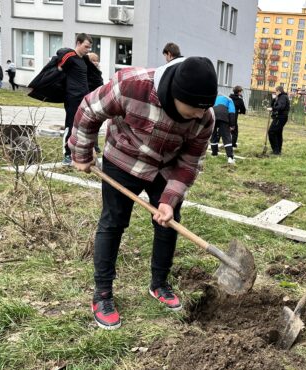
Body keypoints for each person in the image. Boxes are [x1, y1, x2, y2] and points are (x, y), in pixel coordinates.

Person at [68, 57, 218, 330]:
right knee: (113, 222)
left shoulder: (204, 119)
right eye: (195, 108)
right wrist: (81, 152)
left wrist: (169, 201)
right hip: (123, 158)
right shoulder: (131, 86)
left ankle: (159, 283)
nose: (200, 114)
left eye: (204, 107)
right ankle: (102, 293)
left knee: (168, 223)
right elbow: (89, 109)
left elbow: (188, 163)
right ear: (175, 94)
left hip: (165, 167)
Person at [59, 33, 93, 166]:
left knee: (82, 126)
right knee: (71, 125)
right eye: (86, 47)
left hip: (84, 98)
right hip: (72, 98)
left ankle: (78, 153)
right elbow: (57, 68)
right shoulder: (70, 57)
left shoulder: (83, 60)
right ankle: (66, 154)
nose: (88, 50)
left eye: (89, 47)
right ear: (78, 43)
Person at [210, 94, 236, 164]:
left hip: (213, 113)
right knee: (226, 136)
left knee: (213, 135)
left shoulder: (215, 98)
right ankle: (230, 157)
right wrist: (232, 125)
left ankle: (214, 153)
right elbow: (232, 112)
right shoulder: (230, 100)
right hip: (223, 114)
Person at [86, 52, 104, 154]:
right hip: (89, 101)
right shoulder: (87, 73)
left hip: (96, 101)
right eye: (93, 60)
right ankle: (89, 146)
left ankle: (95, 145)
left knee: (96, 124)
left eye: (96, 60)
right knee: (88, 125)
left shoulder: (98, 72)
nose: (95, 62)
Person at [267, 85, 290, 155]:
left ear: (279, 91)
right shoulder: (280, 97)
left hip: (280, 117)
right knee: (278, 133)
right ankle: (278, 150)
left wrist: (273, 109)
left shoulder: (283, 97)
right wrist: (273, 99)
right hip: (280, 117)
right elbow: (274, 104)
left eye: (276, 91)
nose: (275, 92)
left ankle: (276, 150)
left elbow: (281, 106)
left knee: (271, 132)